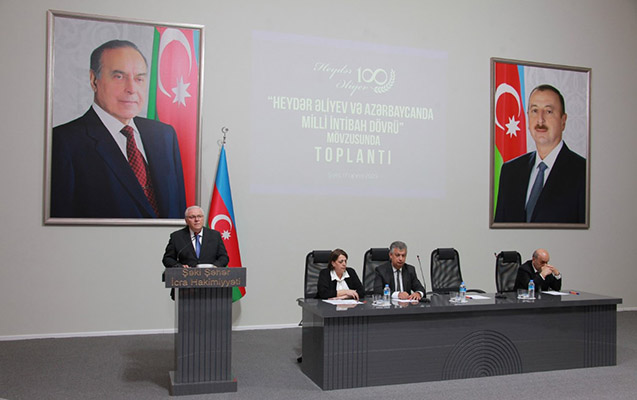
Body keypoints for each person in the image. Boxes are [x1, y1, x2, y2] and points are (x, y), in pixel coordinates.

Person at [51, 39, 186, 218]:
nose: (131, 89)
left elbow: (179, 212)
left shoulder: (164, 135)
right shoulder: (63, 142)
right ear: (94, 80)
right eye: (119, 77)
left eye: (139, 79)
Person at [494, 84, 586, 223]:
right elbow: (500, 229)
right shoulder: (510, 171)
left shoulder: (584, 172)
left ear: (563, 121)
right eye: (535, 111)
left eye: (548, 111)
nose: (540, 120)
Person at [162, 206, 229, 269]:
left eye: (199, 216)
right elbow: (167, 259)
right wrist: (180, 267)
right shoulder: (177, 237)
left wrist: (215, 266)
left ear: (203, 218)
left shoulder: (215, 235)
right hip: (186, 275)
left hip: (211, 275)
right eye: (192, 217)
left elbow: (224, 257)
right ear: (186, 220)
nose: (196, 219)